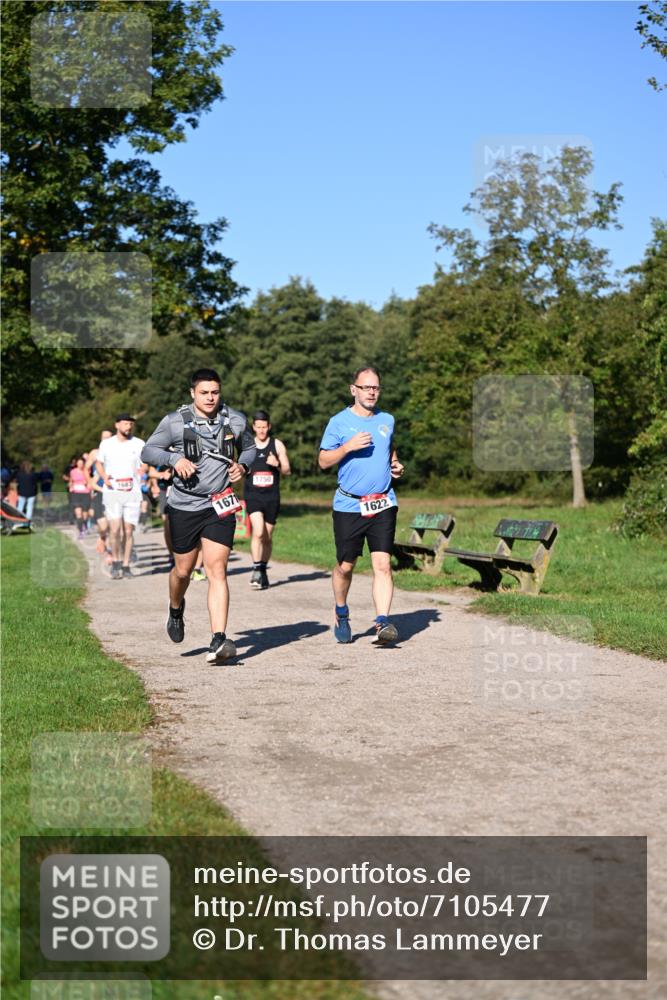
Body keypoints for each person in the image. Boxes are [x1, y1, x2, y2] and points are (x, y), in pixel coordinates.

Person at [141, 368, 256, 663]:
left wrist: (242, 466)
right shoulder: (174, 422)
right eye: (204, 393)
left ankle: (218, 639)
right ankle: (176, 608)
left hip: (219, 504)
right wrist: (173, 458)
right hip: (184, 505)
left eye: (214, 392)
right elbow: (148, 451)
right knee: (183, 570)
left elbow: (251, 448)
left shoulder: (235, 420)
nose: (210, 398)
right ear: (192, 393)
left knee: (217, 569)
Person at [318, 366, 404, 645]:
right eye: (366, 387)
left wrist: (394, 464)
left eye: (376, 388)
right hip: (349, 505)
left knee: (383, 563)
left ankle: (382, 622)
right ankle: (341, 612)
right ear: (353, 389)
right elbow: (323, 461)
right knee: (345, 566)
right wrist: (347, 448)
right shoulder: (339, 422)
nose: (371, 392)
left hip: (383, 502)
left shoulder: (387, 420)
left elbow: (390, 447)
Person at [244, 410, 291, 590]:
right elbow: (240, 466)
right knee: (258, 532)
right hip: (253, 495)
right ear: (254, 427)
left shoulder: (277, 445)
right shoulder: (248, 446)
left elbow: (287, 470)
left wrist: (277, 464)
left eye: (264, 427)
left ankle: (262, 570)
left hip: (271, 497)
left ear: (268, 427)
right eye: (258, 427)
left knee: (268, 537)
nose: (262, 431)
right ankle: (256, 569)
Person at [95, 415, 146, 579]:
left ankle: (125, 565)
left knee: (128, 531)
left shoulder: (139, 443)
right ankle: (116, 562)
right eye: (125, 423)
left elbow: (146, 461)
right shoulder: (107, 444)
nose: (128, 426)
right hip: (112, 491)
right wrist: (104, 477)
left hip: (133, 491)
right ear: (117, 425)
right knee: (115, 529)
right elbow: (98, 463)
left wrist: (143, 469)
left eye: (131, 424)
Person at [85, 431, 113, 559]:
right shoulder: (94, 453)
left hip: (113, 492)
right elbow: (86, 469)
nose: (107, 439)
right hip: (98, 489)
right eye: (105, 437)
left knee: (112, 523)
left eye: (109, 437)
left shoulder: (116, 451)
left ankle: (111, 553)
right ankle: (102, 537)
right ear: (101, 439)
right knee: (103, 524)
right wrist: (89, 485)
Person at [67, 457, 91, 538]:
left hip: (85, 494)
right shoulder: (72, 472)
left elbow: (90, 482)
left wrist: (87, 483)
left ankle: (85, 526)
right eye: (79, 463)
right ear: (77, 464)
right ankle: (80, 531)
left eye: (82, 463)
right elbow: (71, 481)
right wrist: (70, 486)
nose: (80, 465)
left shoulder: (87, 471)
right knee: (78, 513)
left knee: (85, 514)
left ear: (83, 464)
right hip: (76, 494)